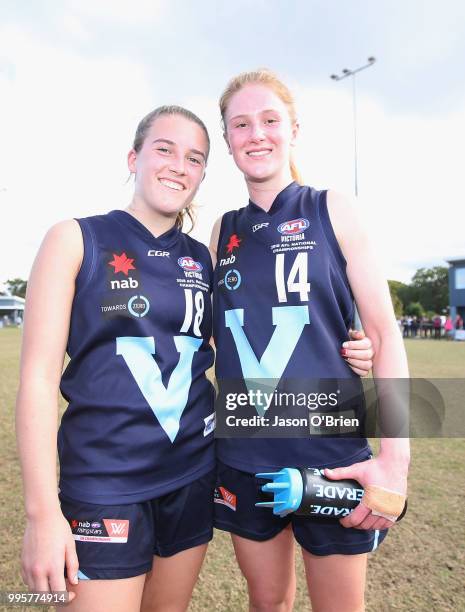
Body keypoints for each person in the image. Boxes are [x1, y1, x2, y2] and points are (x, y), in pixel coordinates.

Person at [210, 69, 410, 612]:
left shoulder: (333, 208)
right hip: (244, 457)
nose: (257, 134)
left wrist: (395, 461)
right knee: (267, 603)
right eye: (241, 124)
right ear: (227, 140)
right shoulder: (222, 229)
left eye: (270, 120)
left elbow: (385, 334)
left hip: (331, 456)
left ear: (293, 129)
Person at [16, 106, 217, 612]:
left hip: (192, 474)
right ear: (134, 157)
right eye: (164, 149)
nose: (178, 165)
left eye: (194, 158)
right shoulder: (76, 238)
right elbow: (38, 380)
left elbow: (222, 347)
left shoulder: (201, 258)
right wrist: (42, 514)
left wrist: (358, 345)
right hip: (105, 484)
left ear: (201, 176)